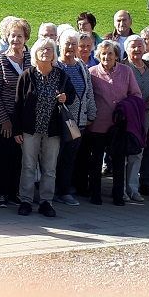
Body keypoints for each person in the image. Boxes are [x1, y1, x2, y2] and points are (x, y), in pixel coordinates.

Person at [13, 37, 75, 217]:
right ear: (35, 53)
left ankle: (46, 201)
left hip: (53, 129)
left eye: (49, 49)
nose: (46, 52)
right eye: (42, 49)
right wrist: (17, 130)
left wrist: (65, 98)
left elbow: (71, 95)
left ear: (54, 54)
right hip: (30, 129)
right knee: (29, 166)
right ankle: (25, 200)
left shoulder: (61, 75)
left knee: (49, 168)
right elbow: (18, 104)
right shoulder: (27, 75)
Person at [88, 40, 142, 206]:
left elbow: (136, 94)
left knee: (119, 161)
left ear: (116, 55)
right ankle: (95, 194)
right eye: (103, 53)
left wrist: (125, 107)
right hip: (97, 124)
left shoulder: (126, 71)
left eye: (110, 53)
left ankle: (118, 194)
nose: (106, 56)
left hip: (119, 125)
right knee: (96, 161)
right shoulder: (91, 72)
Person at [0, 18, 32, 207]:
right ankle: (0, 194)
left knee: (19, 158)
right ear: (7, 37)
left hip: (23, 119)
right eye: (13, 36)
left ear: (26, 38)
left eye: (20, 36)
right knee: (2, 157)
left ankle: (14, 193)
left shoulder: (31, 59)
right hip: (4, 118)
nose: (16, 40)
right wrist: (4, 120)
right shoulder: (0, 60)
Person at [55, 30, 96, 206]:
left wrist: (91, 113)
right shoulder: (56, 66)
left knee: (70, 158)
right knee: (55, 157)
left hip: (78, 121)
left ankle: (64, 190)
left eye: (74, 44)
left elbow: (89, 93)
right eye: (67, 43)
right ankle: (54, 191)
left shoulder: (81, 66)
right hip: (60, 121)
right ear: (59, 44)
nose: (71, 47)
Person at [123, 34, 149, 199]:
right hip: (129, 118)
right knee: (126, 153)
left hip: (146, 118)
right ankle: (122, 188)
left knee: (139, 153)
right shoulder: (123, 67)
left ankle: (133, 188)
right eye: (133, 46)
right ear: (127, 49)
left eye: (140, 46)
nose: (137, 49)